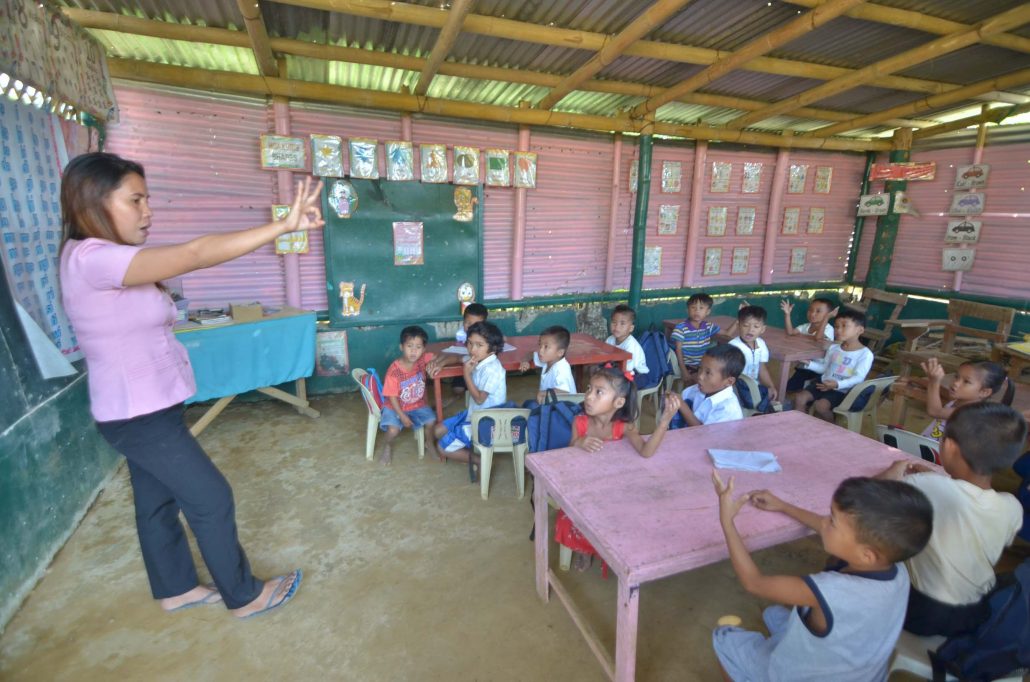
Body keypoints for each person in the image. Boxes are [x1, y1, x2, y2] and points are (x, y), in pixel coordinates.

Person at [58, 152, 317, 617]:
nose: (148, 211)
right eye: (135, 200)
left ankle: (175, 588)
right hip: (137, 414)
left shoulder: (106, 261)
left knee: (157, 502)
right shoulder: (93, 259)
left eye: (147, 199)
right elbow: (195, 254)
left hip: (145, 408)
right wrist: (282, 227)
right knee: (211, 497)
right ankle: (243, 595)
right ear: (94, 202)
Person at [712, 474, 933, 682]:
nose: (823, 522)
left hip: (800, 675)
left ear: (866, 555)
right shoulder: (897, 570)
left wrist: (727, 522)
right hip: (861, 673)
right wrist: (783, 506)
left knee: (724, 638)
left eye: (832, 521)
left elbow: (754, 582)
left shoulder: (831, 590)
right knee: (774, 613)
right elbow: (828, 528)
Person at [877, 402, 1027, 637]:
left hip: (924, 612)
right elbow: (964, 505)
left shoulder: (929, 486)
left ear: (949, 447)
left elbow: (868, 495)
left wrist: (895, 470)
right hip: (974, 611)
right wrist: (932, 480)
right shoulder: (1012, 506)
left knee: (864, 553)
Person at [555, 366, 681, 571]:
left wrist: (664, 421)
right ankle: (583, 550)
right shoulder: (580, 422)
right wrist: (578, 443)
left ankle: (608, 550)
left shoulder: (624, 427)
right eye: (589, 389)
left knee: (622, 515)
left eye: (599, 392)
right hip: (584, 484)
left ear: (618, 402)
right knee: (573, 515)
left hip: (611, 485)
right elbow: (569, 451)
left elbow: (646, 451)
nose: (588, 396)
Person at [433, 321, 507, 465]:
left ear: (493, 348)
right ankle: (471, 447)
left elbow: (479, 399)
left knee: (442, 447)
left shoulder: (492, 369)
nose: (473, 349)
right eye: (470, 343)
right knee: (437, 431)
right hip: (473, 414)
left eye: (479, 345)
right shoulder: (477, 358)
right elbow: (457, 358)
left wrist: (466, 374)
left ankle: (481, 461)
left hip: (486, 422)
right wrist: (441, 363)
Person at [379, 325, 446, 465]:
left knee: (431, 421)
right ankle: (387, 446)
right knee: (393, 430)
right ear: (401, 347)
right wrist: (402, 415)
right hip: (394, 406)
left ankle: (429, 443)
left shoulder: (422, 360)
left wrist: (435, 363)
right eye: (410, 346)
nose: (414, 351)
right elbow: (391, 396)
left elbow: (440, 356)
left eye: (418, 347)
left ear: (424, 349)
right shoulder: (394, 371)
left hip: (416, 404)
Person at [792, 308, 873, 421]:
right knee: (799, 398)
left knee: (821, 406)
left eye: (844, 326)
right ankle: (798, 425)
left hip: (843, 390)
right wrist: (809, 364)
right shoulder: (834, 348)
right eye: (836, 326)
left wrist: (837, 384)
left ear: (859, 330)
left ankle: (831, 427)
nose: (838, 330)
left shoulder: (865, 354)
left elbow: (859, 378)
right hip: (823, 383)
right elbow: (825, 368)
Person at [918, 357, 1014, 441]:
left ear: (984, 392)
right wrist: (918, 381)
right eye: (956, 377)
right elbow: (944, 393)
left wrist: (934, 382)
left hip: (939, 458)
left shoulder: (970, 412)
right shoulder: (959, 400)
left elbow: (935, 411)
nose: (956, 383)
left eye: (966, 381)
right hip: (929, 447)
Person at [670, 344, 745, 428]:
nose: (700, 376)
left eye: (708, 373)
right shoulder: (696, 389)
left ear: (729, 381)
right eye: (700, 368)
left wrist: (682, 405)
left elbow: (703, 435)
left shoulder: (728, 409)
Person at [781, 296, 837, 394]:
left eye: (818, 311)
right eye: (810, 310)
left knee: (808, 388)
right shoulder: (805, 327)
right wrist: (787, 314)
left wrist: (827, 318)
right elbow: (790, 332)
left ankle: (808, 385)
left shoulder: (829, 329)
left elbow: (818, 338)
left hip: (820, 367)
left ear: (828, 314)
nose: (812, 314)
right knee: (789, 387)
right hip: (805, 364)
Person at [728, 305, 778, 413]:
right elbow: (729, 373)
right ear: (738, 325)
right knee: (759, 400)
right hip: (737, 387)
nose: (750, 330)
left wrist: (771, 386)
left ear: (763, 329)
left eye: (756, 326)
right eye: (746, 325)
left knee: (769, 393)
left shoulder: (761, 343)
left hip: (754, 387)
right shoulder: (733, 346)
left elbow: (762, 368)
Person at [670, 292, 720, 387]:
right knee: (704, 384)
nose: (697, 311)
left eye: (701, 308)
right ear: (688, 310)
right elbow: (678, 350)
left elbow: (727, 333)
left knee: (717, 380)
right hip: (688, 365)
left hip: (703, 365)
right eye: (693, 308)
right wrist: (684, 371)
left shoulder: (708, 326)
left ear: (708, 311)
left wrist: (739, 320)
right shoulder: (681, 328)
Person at [518, 325, 576, 404]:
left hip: (564, 409)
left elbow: (564, 391)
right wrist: (525, 361)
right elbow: (531, 354)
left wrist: (542, 393)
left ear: (560, 352)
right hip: (551, 404)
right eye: (540, 345)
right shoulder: (547, 359)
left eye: (546, 347)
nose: (540, 351)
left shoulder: (562, 369)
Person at [451, 303, 488, 396]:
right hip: (465, 366)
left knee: (481, 386)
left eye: (476, 324)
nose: (471, 327)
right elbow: (457, 356)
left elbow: (502, 339)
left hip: (481, 370)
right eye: (467, 323)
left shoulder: (487, 336)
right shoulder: (461, 335)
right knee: (457, 390)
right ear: (463, 321)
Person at [605, 304, 649, 377]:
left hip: (637, 374)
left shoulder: (630, 345)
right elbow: (605, 357)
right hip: (618, 369)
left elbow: (628, 367)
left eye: (622, 323)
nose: (617, 326)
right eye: (614, 322)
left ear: (631, 328)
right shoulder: (610, 339)